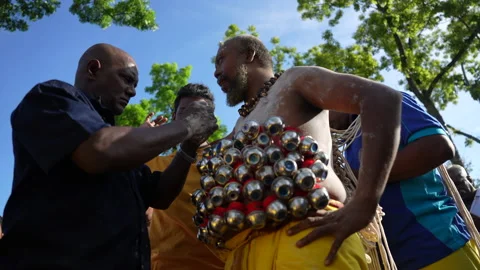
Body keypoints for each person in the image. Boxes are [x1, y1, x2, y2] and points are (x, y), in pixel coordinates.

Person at [0, 43, 218, 270]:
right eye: (127, 79)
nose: (133, 91)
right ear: (93, 69)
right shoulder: (50, 98)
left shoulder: (122, 149)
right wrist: (187, 125)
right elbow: (99, 150)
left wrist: (188, 148)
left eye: (135, 85)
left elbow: (161, 195)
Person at [213, 35, 402, 269]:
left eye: (221, 60)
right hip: (247, 251)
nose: (216, 72)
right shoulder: (240, 124)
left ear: (249, 55)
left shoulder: (295, 80)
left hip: (309, 237)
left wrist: (365, 202)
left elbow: (381, 98)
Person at [330, 92, 480, 269]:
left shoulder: (383, 102)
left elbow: (438, 147)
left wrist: (356, 176)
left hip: (437, 248)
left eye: (314, 111)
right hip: (399, 261)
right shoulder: (348, 147)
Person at [145, 83, 225, 270]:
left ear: (211, 120)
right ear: (174, 117)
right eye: (185, 111)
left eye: (200, 112)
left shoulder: (228, 157)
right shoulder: (152, 162)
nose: (192, 118)